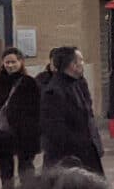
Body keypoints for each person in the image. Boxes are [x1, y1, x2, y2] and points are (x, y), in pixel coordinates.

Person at [0, 46, 42, 187]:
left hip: (25, 132)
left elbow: (36, 108)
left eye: (13, 62)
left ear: (21, 62)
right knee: (6, 168)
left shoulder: (29, 83)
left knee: (26, 168)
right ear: (3, 63)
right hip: (3, 132)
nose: (10, 65)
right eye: (7, 62)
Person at [41, 45, 104, 173]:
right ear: (72, 65)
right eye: (81, 60)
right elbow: (56, 131)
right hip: (68, 160)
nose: (83, 63)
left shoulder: (77, 83)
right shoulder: (54, 92)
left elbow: (87, 117)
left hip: (84, 154)